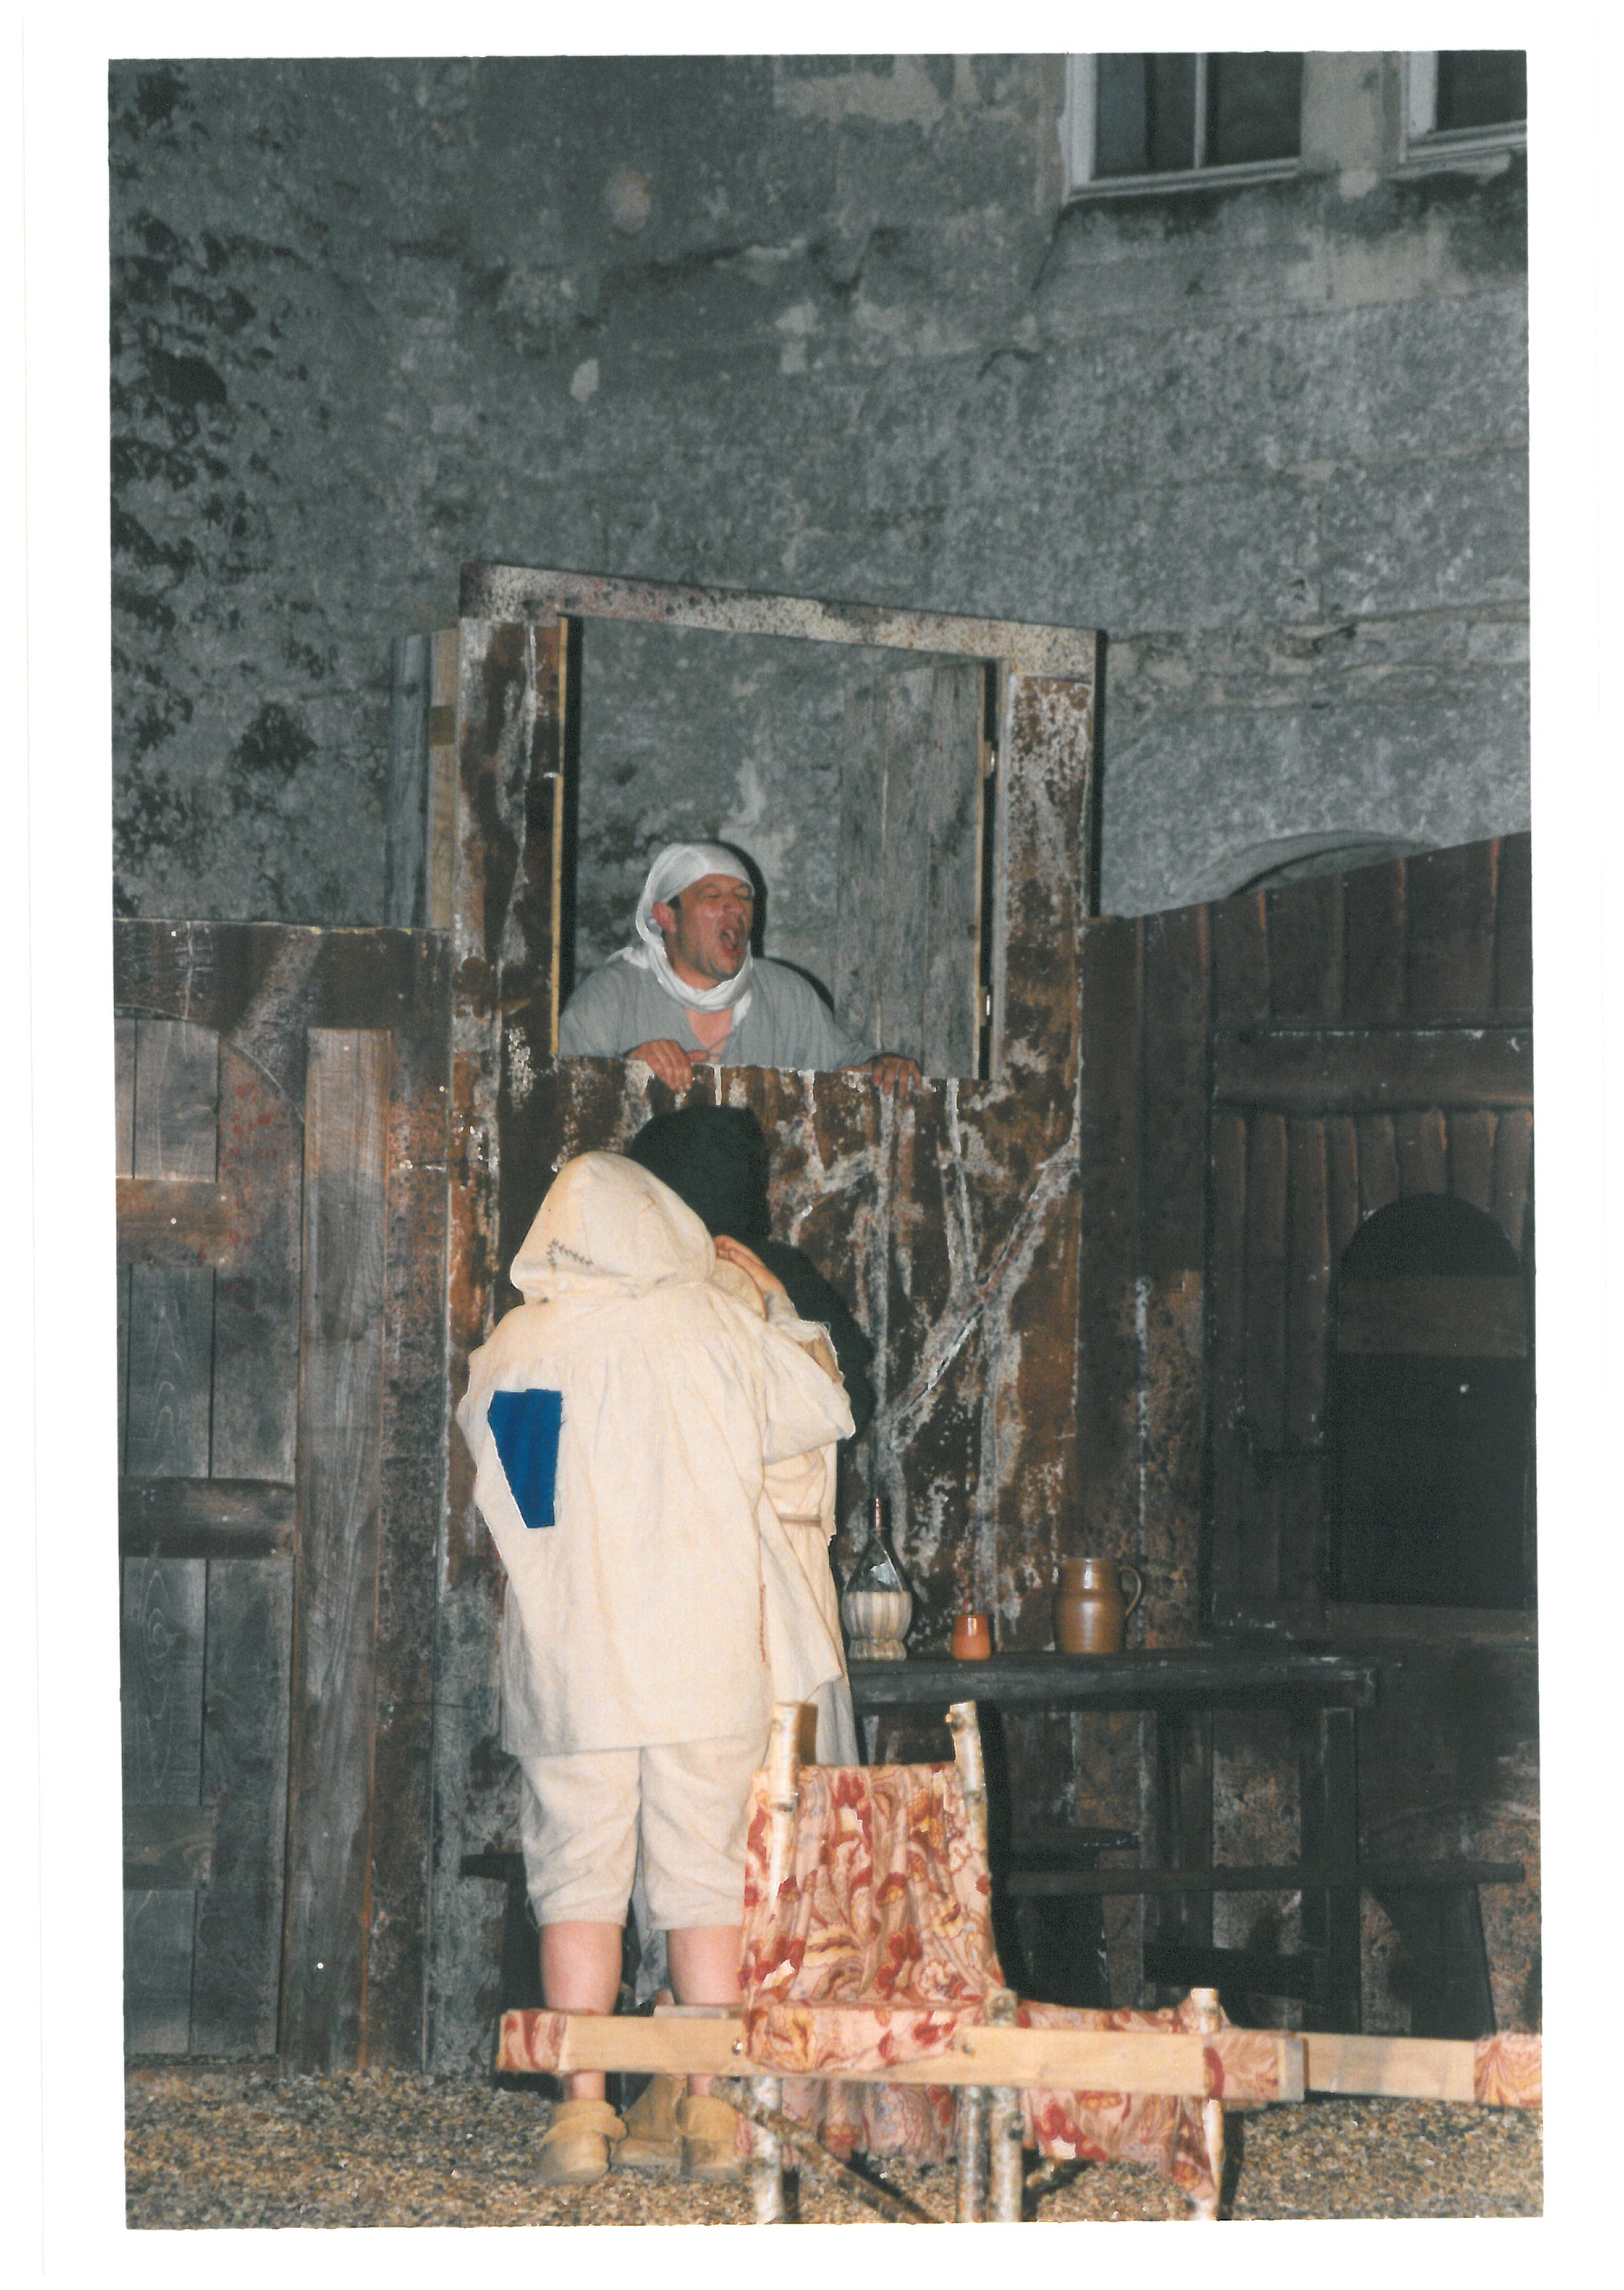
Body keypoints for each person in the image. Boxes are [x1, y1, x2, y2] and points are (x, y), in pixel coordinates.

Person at [456, 1152, 853, 2188]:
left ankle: (582, 2119)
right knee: (706, 1877)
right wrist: (778, 1309)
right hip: (703, 1656)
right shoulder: (712, 1327)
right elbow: (817, 1410)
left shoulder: (520, 1348)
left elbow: (529, 1506)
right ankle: (711, 2112)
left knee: (575, 1877)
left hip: (574, 1662)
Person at [558, 840, 921, 1092]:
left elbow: (849, 1063)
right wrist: (624, 1070)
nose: (734, 908)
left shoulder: (787, 996)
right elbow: (560, 1092)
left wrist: (885, 1066)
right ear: (667, 916)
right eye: (713, 896)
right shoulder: (612, 996)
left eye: (743, 897)